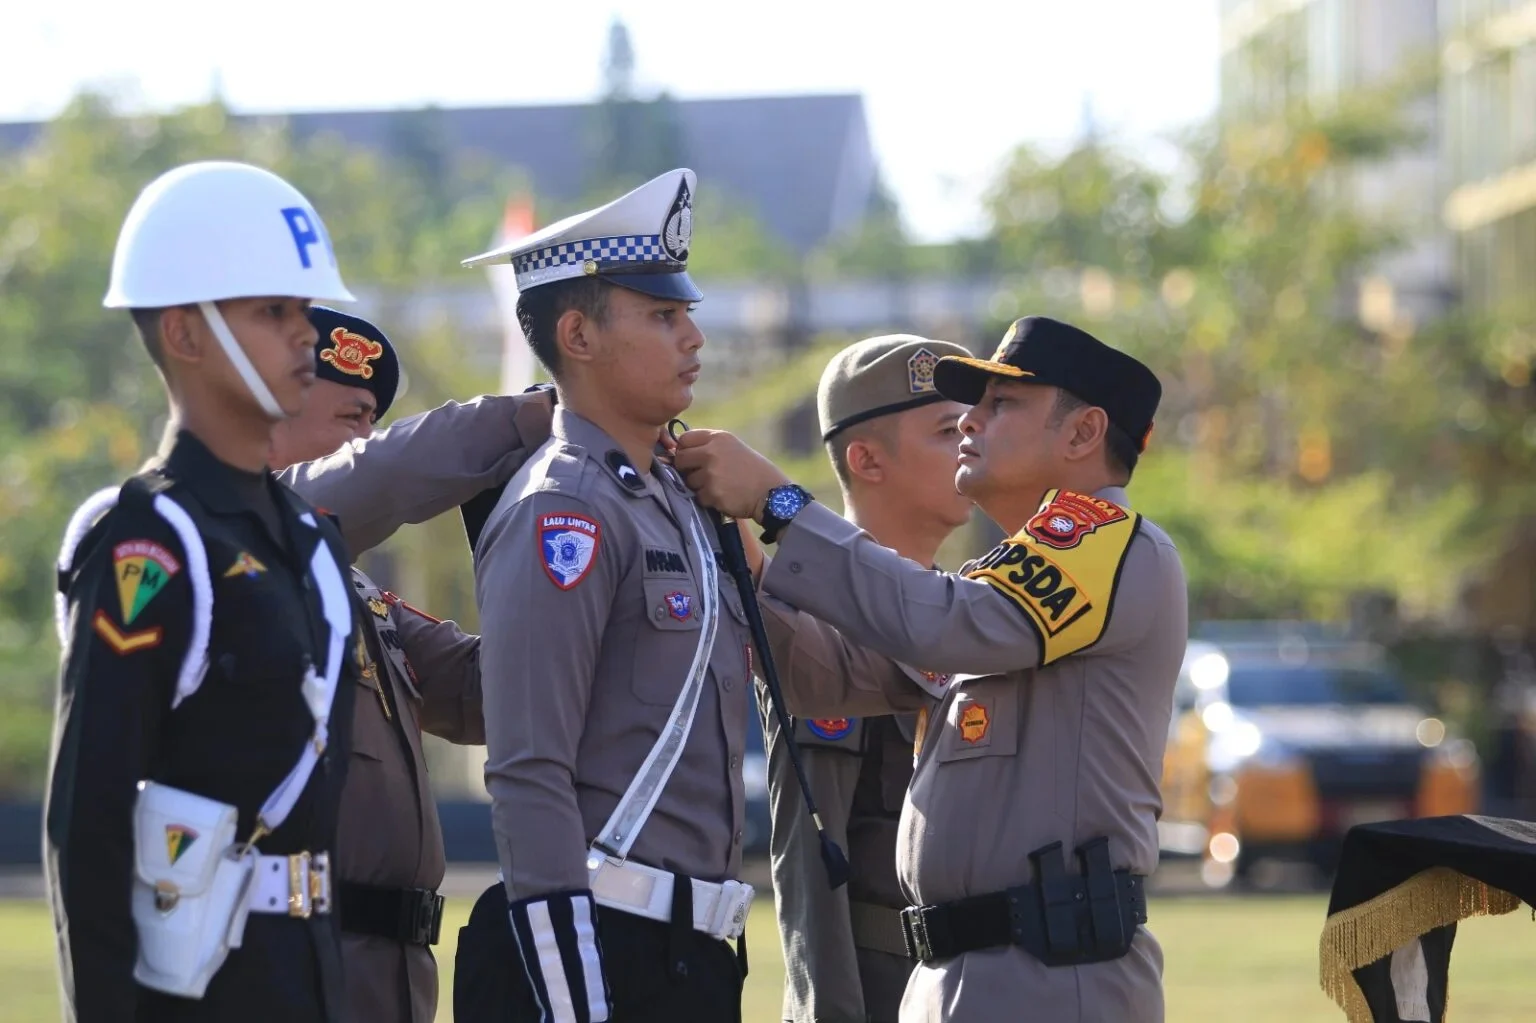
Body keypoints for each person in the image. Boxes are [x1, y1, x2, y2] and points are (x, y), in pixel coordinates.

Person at [676, 315, 1189, 1023]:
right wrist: (739, 564)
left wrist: (779, 503)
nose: (971, 421)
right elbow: (826, 677)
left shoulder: (1105, 541)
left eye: (1002, 404)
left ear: (1082, 433)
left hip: (1051, 973)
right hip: (959, 972)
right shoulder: (999, 585)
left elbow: (937, 623)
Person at [45, 160, 360, 1022]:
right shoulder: (153, 543)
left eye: (304, 310)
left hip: (316, 979)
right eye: (272, 311)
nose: (308, 335)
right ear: (184, 334)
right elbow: (91, 819)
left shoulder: (308, 540)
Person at [451, 168, 760, 1023]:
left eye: (686, 310)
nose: (693, 334)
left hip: (687, 957)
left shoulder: (677, 499)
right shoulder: (567, 506)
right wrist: (573, 998)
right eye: (663, 315)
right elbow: (528, 768)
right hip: (599, 950)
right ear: (578, 335)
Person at [267, 305, 508, 1023]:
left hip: (393, 974)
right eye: (353, 414)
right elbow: (372, 480)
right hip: (293, 960)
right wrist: (523, 423)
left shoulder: (360, 596)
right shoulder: (231, 545)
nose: (364, 439)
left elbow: (487, 691)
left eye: (373, 421)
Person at [757, 335, 973, 1023]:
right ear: (867, 459)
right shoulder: (820, 625)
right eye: (947, 430)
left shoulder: (968, 609)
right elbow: (812, 863)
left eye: (972, 426)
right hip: (880, 987)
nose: (970, 444)